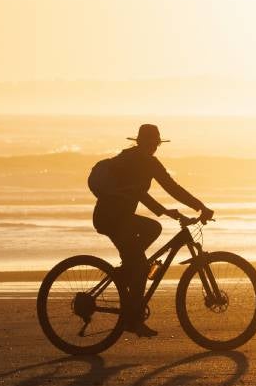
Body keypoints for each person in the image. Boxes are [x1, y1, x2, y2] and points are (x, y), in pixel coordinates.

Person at [91, 123, 214, 338]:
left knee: (152, 229)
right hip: (113, 219)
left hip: (118, 217)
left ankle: (130, 269)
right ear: (141, 142)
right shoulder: (141, 162)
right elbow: (172, 187)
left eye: (155, 144)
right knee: (140, 265)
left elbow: (138, 193)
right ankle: (133, 319)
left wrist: (166, 211)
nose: (153, 147)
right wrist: (200, 206)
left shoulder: (133, 158)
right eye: (150, 143)